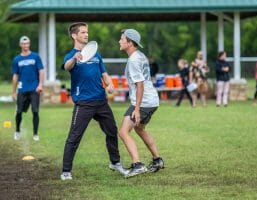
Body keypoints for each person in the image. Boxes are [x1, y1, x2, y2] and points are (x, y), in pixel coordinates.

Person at [60, 22, 127, 180]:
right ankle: (66, 171)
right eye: (82, 32)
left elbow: (103, 73)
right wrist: (75, 59)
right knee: (74, 137)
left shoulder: (96, 53)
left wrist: (109, 83)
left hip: (101, 101)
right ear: (74, 35)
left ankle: (115, 162)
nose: (86, 34)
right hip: (83, 103)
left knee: (112, 131)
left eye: (87, 32)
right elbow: (67, 67)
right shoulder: (71, 55)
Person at [118, 29, 164, 178]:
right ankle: (157, 160)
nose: (119, 41)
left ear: (130, 42)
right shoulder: (140, 56)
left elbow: (140, 85)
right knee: (140, 129)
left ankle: (137, 165)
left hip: (143, 102)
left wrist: (136, 109)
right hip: (151, 101)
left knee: (124, 132)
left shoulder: (133, 60)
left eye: (122, 39)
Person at [12, 36, 44, 141]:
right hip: (22, 89)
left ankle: (35, 134)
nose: (25, 45)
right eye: (23, 44)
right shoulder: (17, 59)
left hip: (34, 89)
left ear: (29, 44)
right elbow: (15, 76)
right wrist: (13, 92)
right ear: (20, 45)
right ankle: (17, 131)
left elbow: (41, 71)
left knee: (35, 111)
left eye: (27, 43)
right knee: (19, 112)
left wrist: (40, 85)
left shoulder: (35, 57)